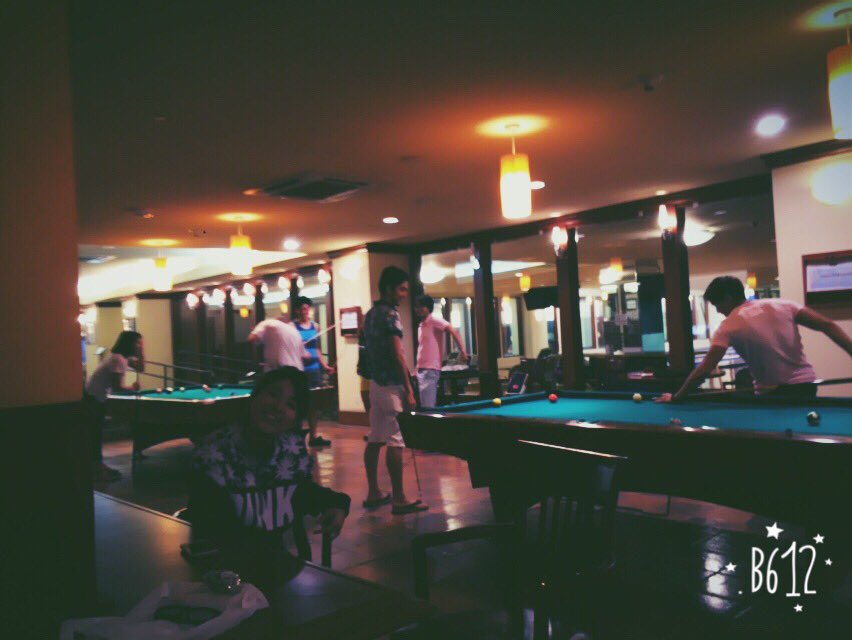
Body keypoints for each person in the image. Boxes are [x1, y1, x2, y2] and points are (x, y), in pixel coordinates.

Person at [189, 366, 349, 550]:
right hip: (229, 562)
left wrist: (337, 503)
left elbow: (300, 493)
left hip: (282, 563)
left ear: (296, 419)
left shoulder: (290, 450)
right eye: (273, 395)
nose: (278, 407)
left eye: (291, 405)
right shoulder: (214, 454)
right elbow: (209, 525)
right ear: (255, 396)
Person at [657, 276, 852, 403]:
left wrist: (677, 397)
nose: (718, 310)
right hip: (805, 387)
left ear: (728, 297)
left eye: (717, 304)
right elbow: (828, 325)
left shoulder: (727, 326)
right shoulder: (784, 305)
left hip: (772, 395)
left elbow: (705, 368)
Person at [361, 266, 428, 514]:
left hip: (375, 384)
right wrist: (408, 388)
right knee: (395, 440)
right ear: (389, 288)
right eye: (401, 289)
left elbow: (365, 351)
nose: (404, 294)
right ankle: (399, 498)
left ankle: (373, 492)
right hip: (391, 384)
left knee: (375, 437)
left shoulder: (370, 314)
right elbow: (398, 353)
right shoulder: (391, 314)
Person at [83, 330, 143, 482]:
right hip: (92, 400)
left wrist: (142, 351)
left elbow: (141, 368)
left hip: (96, 399)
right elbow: (118, 388)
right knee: (95, 436)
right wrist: (132, 388)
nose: (139, 345)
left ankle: (99, 467)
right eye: (137, 343)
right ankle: (97, 471)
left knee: (96, 435)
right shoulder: (118, 359)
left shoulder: (121, 358)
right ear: (129, 343)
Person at [292, 296, 335, 447]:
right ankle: (296, 435)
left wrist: (324, 365)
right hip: (299, 369)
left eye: (306, 308)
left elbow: (317, 349)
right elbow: (292, 349)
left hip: (314, 370)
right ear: (297, 311)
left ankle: (313, 436)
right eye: (302, 309)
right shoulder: (293, 327)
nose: (305, 311)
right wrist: (301, 351)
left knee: (313, 404)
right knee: (298, 402)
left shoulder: (315, 326)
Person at [414, 294, 468, 408]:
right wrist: (417, 368)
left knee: (428, 407)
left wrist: (463, 350)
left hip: (430, 369)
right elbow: (423, 348)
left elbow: (454, 331)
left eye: (421, 306)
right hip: (421, 369)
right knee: (424, 405)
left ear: (428, 307)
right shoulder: (421, 325)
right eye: (416, 306)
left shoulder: (434, 320)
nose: (418, 309)